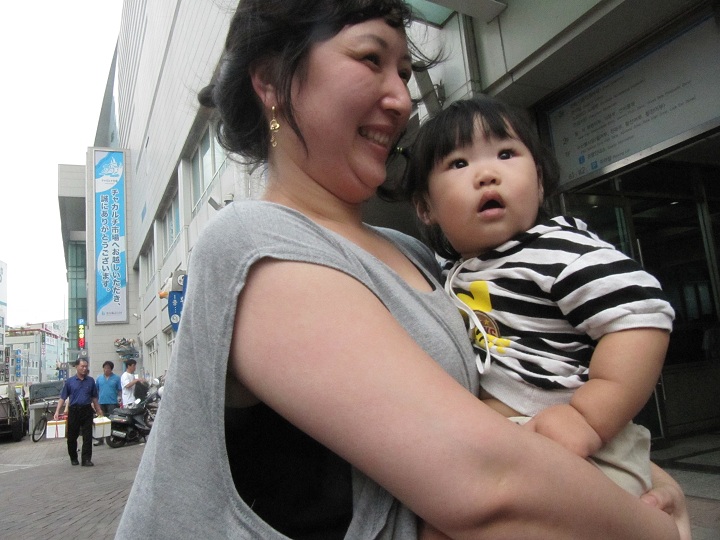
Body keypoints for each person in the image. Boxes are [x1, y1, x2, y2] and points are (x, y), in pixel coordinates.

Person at [117, 2, 689, 539]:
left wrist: (650, 481)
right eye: (371, 60)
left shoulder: (416, 254)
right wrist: (656, 530)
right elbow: (482, 477)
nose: (401, 98)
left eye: (406, 72)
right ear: (271, 83)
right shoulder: (253, 243)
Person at [401, 94, 677, 537]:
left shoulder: (558, 249)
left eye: (507, 154)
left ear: (541, 183)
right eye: (457, 164)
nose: (487, 173)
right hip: (511, 447)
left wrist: (589, 417)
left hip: (587, 444)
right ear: (425, 208)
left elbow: (640, 313)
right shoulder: (448, 273)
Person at [54, 358, 103, 467]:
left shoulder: (90, 381)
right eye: (82, 366)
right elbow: (63, 397)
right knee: (72, 436)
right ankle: (73, 457)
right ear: (76, 367)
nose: (85, 368)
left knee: (87, 436)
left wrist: (98, 410)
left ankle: (86, 459)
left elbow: (94, 397)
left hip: (87, 410)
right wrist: (57, 411)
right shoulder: (70, 382)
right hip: (74, 411)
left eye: (86, 366)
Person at [94, 360, 121, 446]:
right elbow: (95, 391)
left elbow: (119, 390)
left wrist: (120, 399)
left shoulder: (116, 378)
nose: (106, 370)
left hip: (112, 402)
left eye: (108, 368)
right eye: (105, 368)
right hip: (101, 402)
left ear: (111, 369)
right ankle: (100, 440)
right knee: (101, 421)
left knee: (112, 421)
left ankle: (112, 437)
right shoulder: (99, 378)